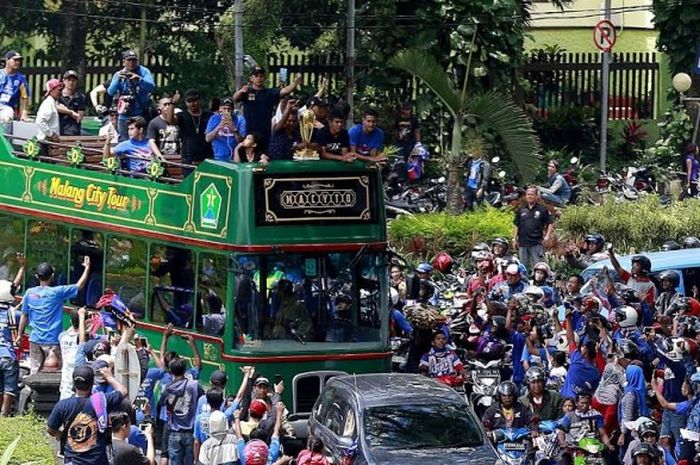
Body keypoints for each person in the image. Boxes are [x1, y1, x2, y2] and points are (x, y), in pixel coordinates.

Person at [16, 257, 91, 374]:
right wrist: (87, 268)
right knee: (54, 374)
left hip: (34, 339)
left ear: (37, 276)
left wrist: (20, 335)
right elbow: (79, 285)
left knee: (34, 373)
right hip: (53, 341)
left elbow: (24, 316)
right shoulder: (57, 292)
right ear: (52, 276)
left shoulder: (29, 293)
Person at [46, 364, 128, 465]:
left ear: (73, 383)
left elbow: (50, 429)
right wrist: (109, 377)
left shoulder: (62, 405)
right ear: (92, 383)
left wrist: (62, 435)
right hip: (97, 461)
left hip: (72, 461)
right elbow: (123, 391)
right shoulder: (102, 401)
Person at [233, 66, 301, 149]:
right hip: (250, 133)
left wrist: (294, 83)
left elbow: (284, 91)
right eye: (256, 76)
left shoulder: (270, 92)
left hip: (265, 133)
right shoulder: (246, 92)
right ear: (251, 78)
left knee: (264, 157)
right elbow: (235, 98)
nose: (259, 78)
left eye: (261, 76)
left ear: (264, 78)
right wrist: (241, 91)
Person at [162, 356, 204, 465]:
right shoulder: (194, 385)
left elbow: (161, 405)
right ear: (185, 370)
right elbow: (203, 399)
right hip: (191, 431)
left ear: (170, 371)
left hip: (174, 432)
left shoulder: (167, 388)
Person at [107, 50, 156, 142]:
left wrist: (140, 79)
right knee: (124, 141)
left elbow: (152, 87)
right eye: (129, 60)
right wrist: (117, 80)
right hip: (124, 115)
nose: (131, 63)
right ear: (124, 62)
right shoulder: (119, 74)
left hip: (140, 113)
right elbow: (110, 91)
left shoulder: (143, 71)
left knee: (141, 140)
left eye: (134, 60)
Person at [0, 255, 25, 416]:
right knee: (9, 388)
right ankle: (4, 415)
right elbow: (12, 290)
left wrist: (21, 268)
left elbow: (11, 289)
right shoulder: (14, 314)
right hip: (8, 355)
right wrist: (22, 267)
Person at [513, 186, 554, 269]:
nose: (529, 196)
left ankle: (538, 281)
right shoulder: (521, 209)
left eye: (532, 194)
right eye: (528, 194)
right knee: (522, 267)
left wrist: (547, 236)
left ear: (536, 196)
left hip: (536, 243)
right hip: (522, 243)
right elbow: (516, 224)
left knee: (538, 267)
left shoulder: (542, 209)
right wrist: (514, 238)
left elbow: (551, 223)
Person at [178, 89, 213, 166]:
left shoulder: (209, 116)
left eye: (195, 100)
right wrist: (172, 103)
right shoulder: (182, 116)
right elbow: (170, 120)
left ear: (200, 101)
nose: (192, 103)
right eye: (189, 101)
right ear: (186, 103)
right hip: (188, 159)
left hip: (207, 158)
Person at [205, 97, 246, 162]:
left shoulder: (240, 119)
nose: (227, 111)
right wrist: (219, 127)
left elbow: (241, 141)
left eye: (229, 109)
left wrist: (234, 129)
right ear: (220, 109)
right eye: (224, 109)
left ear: (233, 109)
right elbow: (207, 139)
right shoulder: (214, 118)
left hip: (236, 157)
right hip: (219, 157)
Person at [0, 50, 30, 130]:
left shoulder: (21, 79)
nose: (17, 62)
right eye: (15, 60)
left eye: (19, 60)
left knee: (7, 118)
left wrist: (24, 112)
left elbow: (24, 96)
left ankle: (5, 142)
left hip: (7, 108)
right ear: (7, 60)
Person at [147, 95, 180, 160]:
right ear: (159, 107)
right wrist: (160, 157)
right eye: (165, 104)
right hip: (162, 157)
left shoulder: (178, 120)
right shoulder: (154, 122)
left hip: (178, 157)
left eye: (169, 104)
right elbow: (151, 142)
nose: (168, 107)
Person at [57, 70, 88, 136]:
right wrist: (71, 113)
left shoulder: (80, 97)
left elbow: (79, 117)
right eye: (69, 80)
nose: (71, 82)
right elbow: (55, 107)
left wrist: (64, 109)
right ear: (64, 81)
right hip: (59, 130)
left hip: (74, 131)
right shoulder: (58, 95)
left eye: (73, 80)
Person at [36, 78, 63, 150]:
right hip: (45, 142)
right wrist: (51, 134)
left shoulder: (52, 103)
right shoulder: (48, 104)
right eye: (59, 90)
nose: (61, 93)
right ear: (52, 90)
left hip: (48, 142)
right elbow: (39, 121)